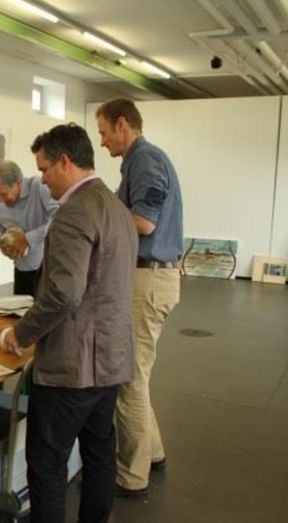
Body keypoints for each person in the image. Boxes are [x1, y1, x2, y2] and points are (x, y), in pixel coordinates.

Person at [3, 123, 138, 523]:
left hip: (72, 365)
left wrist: (21, 333)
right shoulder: (116, 207)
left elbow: (63, 293)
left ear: (65, 161)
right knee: (99, 454)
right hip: (111, 358)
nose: (42, 180)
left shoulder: (73, 213)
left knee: (47, 464)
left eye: (44, 170)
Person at [95, 98, 183, 497]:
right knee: (138, 374)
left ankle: (132, 476)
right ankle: (154, 453)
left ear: (122, 124)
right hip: (148, 277)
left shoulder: (145, 159)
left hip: (148, 279)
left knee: (128, 376)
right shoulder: (137, 162)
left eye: (103, 132)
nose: (102, 141)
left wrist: (98, 217)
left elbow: (144, 222)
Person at [0, 161, 59, 296]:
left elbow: (60, 220)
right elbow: (4, 229)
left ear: (17, 183)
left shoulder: (39, 187)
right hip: (21, 268)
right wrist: (4, 243)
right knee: (20, 307)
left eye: (3, 194)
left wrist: (27, 238)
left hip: (48, 269)